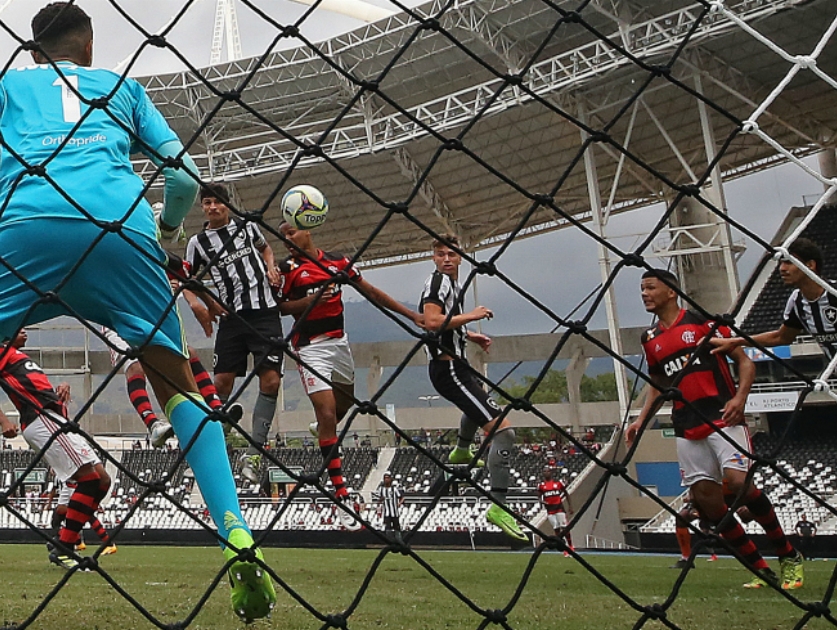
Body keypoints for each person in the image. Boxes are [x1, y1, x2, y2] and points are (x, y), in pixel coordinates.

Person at [0, 4, 274, 620]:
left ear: (33, 51)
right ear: (89, 46)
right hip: (123, 235)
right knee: (182, 388)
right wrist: (167, 231)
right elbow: (185, 178)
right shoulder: (123, 87)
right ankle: (235, 534)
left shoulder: (10, 87)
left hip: (26, 232)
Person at [626, 269, 803, 590]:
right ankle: (760, 569)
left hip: (722, 417)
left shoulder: (703, 323)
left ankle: (788, 554)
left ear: (671, 292)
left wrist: (740, 398)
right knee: (707, 502)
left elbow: (745, 361)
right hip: (686, 425)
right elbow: (658, 382)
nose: (644, 294)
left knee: (738, 483)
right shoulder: (649, 338)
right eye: (642, 289)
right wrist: (641, 419)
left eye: (650, 287)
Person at [277, 220, 422, 532]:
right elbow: (280, 307)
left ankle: (323, 428)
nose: (286, 239)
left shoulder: (337, 262)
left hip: (340, 343)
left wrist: (412, 315)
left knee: (343, 406)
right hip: (309, 348)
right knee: (328, 414)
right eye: (283, 235)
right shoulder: (287, 269)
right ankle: (341, 495)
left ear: (308, 229)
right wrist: (310, 301)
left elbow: (370, 291)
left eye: (291, 232)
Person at [419, 234, 526, 543]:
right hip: (448, 369)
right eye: (441, 254)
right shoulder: (438, 283)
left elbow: (447, 322)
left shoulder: (452, 284)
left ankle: (462, 450)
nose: (447, 259)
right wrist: (473, 316)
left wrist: (468, 334)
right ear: (434, 257)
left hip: (457, 364)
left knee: (478, 399)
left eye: (452, 254)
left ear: (460, 257)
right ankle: (499, 506)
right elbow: (432, 321)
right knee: (505, 433)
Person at [184, 183, 283, 484]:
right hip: (231, 318)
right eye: (207, 203)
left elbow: (266, 248)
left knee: (271, 380)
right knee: (221, 382)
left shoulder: (247, 227)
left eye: (218, 202)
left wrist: (271, 267)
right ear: (203, 208)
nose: (213, 207)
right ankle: (212, 438)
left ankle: (254, 454)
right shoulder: (198, 243)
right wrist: (199, 303)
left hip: (265, 313)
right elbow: (185, 278)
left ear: (227, 205)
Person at [0, 331, 111, 569]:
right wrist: (4, 421)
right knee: (89, 479)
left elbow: (35, 388)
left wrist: (61, 388)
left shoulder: (19, 357)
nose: (25, 331)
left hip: (56, 419)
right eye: (19, 328)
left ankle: (64, 537)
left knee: (103, 480)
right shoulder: (3, 353)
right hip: (40, 418)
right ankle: (65, 546)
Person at [101, 326, 241, 448]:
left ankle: (218, 411)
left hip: (147, 315)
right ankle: (153, 424)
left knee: (187, 353)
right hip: (117, 322)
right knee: (135, 366)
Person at [537, 467, 573, 555]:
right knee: (556, 529)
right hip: (550, 510)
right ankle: (562, 547)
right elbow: (539, 497)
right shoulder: (541, 485)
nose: (546, 473)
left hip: (559, 508)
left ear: (551, 472)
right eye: (544, 471)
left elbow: (566, 493)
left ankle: (570, 546)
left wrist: (570, 506)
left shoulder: (557, 483)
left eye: (547, 471)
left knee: (564, 527)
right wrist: (542, 501)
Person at [375, 472, 405, 544]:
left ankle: (399, 542)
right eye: (385, 478)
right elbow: (380, 499)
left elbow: (402, 498)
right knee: (388, 528)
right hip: (387, 513)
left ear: (390, 479)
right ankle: (390, 542)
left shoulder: (394, 489)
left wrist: (399, 504)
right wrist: (380, 501)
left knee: (397, 528)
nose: (386, 480)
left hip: (394, 512)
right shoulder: (381, 489)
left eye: (387, 478)